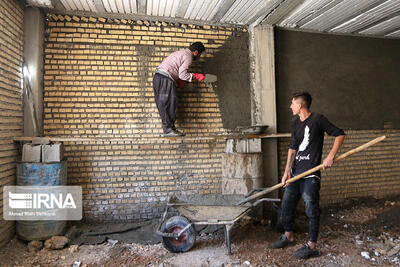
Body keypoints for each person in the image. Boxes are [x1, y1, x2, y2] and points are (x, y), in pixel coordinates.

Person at [271, 92, 345, 259]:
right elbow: (292, 148)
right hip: (296, 174)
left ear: (300, 105)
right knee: (287, 205)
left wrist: (330, 156)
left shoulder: (318, 119)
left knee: (311, 208)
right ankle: (288, 236)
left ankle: (311, 246)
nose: (290, 107)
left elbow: (339, 134)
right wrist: (286, 171)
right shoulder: (295, 124)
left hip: (311, 174)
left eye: (292, 104)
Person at [153, 42, 206, 137]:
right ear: (196, 52)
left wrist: (178, 81)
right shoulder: (188, 56)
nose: (199, 57)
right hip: (165, 78)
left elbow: (175, 69)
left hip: (160, 78)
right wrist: (195, 76)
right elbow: (182, 74)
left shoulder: (181, 53)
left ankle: (170, 129)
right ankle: (168, 130)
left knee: (167, 104)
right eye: (200, 54)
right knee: (169, 104)